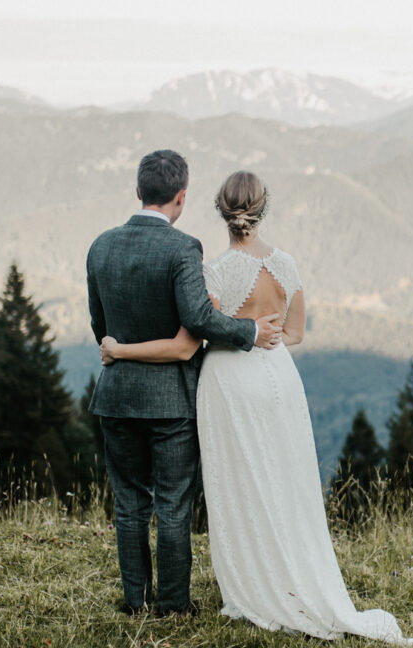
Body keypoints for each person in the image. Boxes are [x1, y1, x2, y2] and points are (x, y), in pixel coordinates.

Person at [100, 170, 413, 645]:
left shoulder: (216, 270)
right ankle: (294, 576)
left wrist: (236, 336)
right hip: (279, 379)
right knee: (283, 480)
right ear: (262, 209)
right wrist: (265, 339)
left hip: (229, 380)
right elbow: (295, 333)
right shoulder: (286, 264)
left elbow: (200, 331)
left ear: (221, 212)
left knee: (239, 484)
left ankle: (251, 586)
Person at [86, 151, 284, 616]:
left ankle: (135, 602)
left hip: (115, 395)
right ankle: (173, 605)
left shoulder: (100, 246)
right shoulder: (182, 248)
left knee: (129, 504)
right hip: (170, 402)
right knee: (174, 504)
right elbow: (197, 318)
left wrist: (119, 349)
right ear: (181, 197)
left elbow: (101, 326)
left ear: (138, 191)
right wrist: (251, 333)